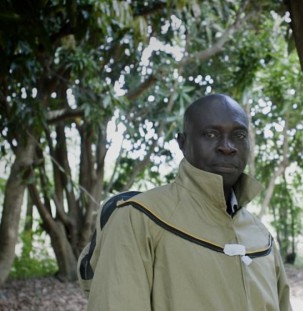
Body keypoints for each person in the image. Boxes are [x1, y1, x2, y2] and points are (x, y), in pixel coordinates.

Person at [79, 94, 292, 310]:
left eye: (238, 135)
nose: (227, 147)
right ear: (182, 143)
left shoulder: (261, 236)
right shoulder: (138, 218)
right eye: (210, 134)